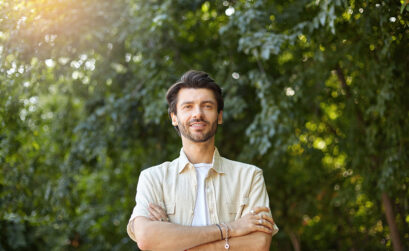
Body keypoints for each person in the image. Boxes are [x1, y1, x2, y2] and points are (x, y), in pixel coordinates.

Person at [127, 70, 278, 250]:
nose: (197, 114)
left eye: (207, 106)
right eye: (188, 106)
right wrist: (230, 229)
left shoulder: (249, 176)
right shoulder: (153, 178)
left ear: (219, 116)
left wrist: (174, 241)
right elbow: (146, 239)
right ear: (174, 118)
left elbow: (258, 244)